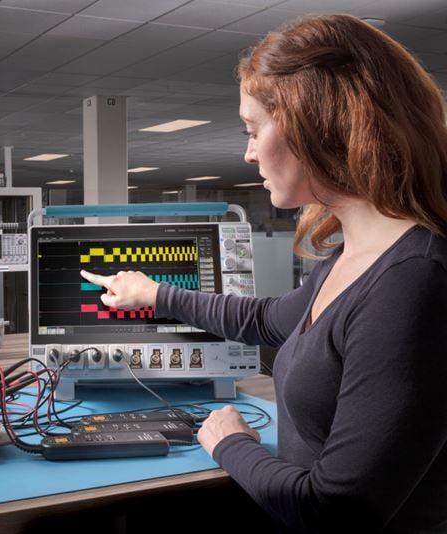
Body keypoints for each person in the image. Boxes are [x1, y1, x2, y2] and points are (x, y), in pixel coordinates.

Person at [80, 13, 447, 532]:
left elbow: (336, 512)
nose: (248, 152)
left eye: (253, 130)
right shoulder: (358, 254)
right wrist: (154, 293)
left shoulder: (414, 282)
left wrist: (229, 441)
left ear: (316, 127)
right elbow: (271, 320)